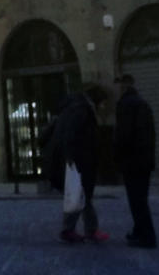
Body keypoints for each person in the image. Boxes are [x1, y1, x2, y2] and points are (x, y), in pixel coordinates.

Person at [54, 86, 109, 244]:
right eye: (103, 102)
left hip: (82, 158)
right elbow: (73, 134)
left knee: (83, 196)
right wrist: (72, 156)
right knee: (81, 195)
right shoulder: (83, 111)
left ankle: (86, 229)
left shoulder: (81, 109)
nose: (104, 106)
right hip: (82, 160)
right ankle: (72, 230)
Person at [114, 74, 157, 249]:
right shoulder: (142, 103)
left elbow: (124, 135)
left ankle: (147, 237)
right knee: (141, 199)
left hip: (133, 160)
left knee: (137, 200)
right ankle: (139, 231)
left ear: (123, 86)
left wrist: (118, 156)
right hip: (144, 158)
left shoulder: (126, 105)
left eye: (117, 84)